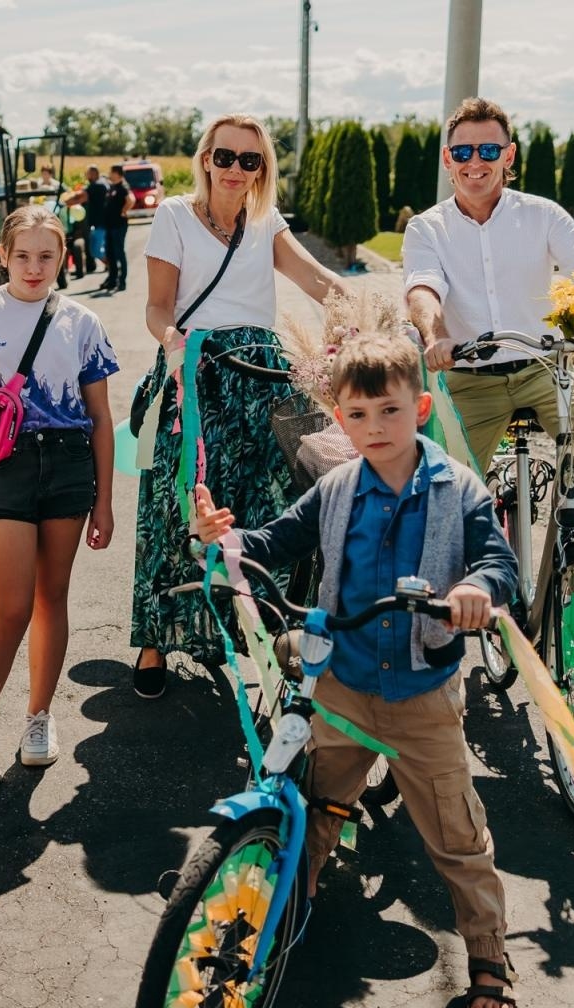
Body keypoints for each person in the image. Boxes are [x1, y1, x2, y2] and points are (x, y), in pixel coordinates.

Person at [191, 331, 521, 1008]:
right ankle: (279, 914)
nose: (375, 428)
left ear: (422, 408)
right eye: (360, 415)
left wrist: (477, 591)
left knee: (456, 833)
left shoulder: (458, 488)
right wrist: (225, 540)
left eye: (391, 412)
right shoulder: (336, 487)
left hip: (421, 694)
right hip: (340, 686)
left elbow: (500, 563)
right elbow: (275, 540)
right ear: (339, 418)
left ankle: (488, 953)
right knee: (309, 811)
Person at [404, 96, 574, 582]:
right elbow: (424, 287)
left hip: (545, 370)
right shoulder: (427, 228)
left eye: (489, 151)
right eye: (464, 152)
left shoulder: (542, 215)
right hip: (468, 378)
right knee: (436, 491)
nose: (476, 163)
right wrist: (437, 335)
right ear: (448, 159)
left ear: (509, 156)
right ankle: (469, 594)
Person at [130, 113, 349, 698]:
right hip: (197, 372)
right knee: (182, 498)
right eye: (224, 157)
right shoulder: (175, 216)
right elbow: (157, 308)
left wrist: (365, 314)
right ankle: (156, 640)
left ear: (262, 169)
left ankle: (263, 625)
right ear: (206, 159)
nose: (235, 169)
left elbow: (313, 277)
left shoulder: (264, 220)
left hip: (263, 372)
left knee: (280, 496)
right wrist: (174, 344)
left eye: (250, 161)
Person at [0, 205, 119, 784]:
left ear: (62, 258)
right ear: (2, 256)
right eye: (22, 256)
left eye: (46, 256)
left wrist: (105, 500)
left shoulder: (82, 322)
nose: (34, 267)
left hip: (68, 466)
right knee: (11, 608)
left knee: (51, 598)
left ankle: (39, 717)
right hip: (5, 467)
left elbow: (102, 418)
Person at [99, 164, 133, 293]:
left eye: (111, 172)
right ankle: (112, 280)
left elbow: (131, 200)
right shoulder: (112, 186)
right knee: (110, 253)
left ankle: (122, 281)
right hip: (110, 225)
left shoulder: (123, 187)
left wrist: (124, 211)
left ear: (117, 173)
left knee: (119, 252)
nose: (109, 173)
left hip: (119, 225)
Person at [84, 165, 109, 267]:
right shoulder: (102, 184)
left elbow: (82, 196)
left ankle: (113, 267)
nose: (87, 175)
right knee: (99, 249)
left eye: (88, 173)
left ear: (94, 174)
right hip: (101, 222)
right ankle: (112, 268)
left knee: (95, 250)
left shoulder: (97, 186)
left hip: (100, 223)